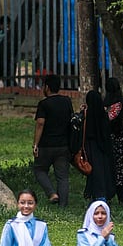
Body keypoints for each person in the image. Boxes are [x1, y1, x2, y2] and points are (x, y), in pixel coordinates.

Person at [32, 75, 72, 206]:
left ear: (47, 87)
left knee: (39, 170)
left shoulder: (44, 104)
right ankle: (63, 205)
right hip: (64, 145)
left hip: (46, 145)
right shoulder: (67, 101)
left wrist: (36, 144)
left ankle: (51, 193)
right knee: (63, 176)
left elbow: (40, 124)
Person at [81, 90, 115, 202]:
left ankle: (95, 194)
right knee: (104, 171)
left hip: (91, 147)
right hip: (104, 147)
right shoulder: (103, 115)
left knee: (94, 172)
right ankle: (104, 194)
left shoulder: (87, 114)